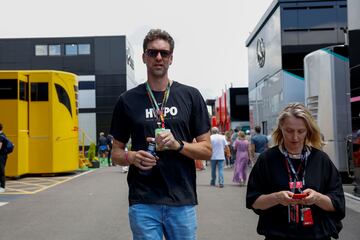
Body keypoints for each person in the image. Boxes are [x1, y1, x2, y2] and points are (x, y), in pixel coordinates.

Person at [109, 29, 212, 240]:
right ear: (144, 57)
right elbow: (116, 152)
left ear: (171, 58)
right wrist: (132, 157)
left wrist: (178, 145)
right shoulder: (127, 100)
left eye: (164, 53)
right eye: (153, 52)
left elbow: (207, 151)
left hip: (181, 201)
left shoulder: (190, 96)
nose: (158, 57)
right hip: (143, 201)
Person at [246, 103, 345, 240]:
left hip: (317, 235)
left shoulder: (321, 159)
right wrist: (277, 198)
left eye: (301, 131)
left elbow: (337, 204)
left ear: (308, 130)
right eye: (289, 130)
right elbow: (254, 201)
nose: (295, 137)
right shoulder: (267, 159)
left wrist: (317, 197)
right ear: (281, 129)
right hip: (278, 235)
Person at [0, 123, 9, 193]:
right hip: (3, 155)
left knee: (1, 170)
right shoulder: (3, 135)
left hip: (1, 156)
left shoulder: (1, 136)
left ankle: (2, 187)